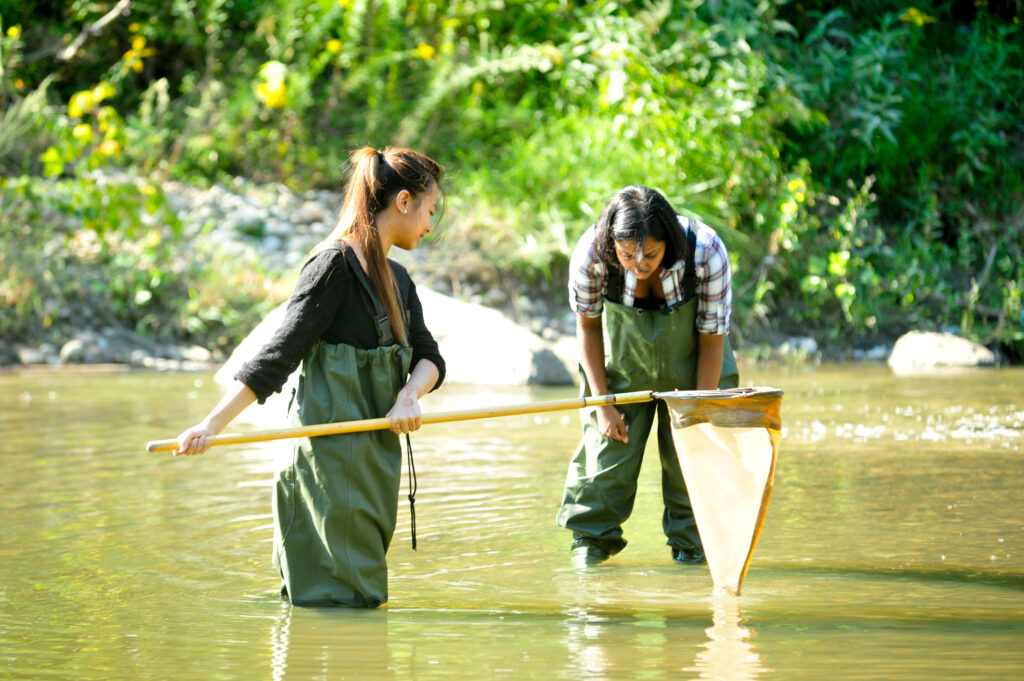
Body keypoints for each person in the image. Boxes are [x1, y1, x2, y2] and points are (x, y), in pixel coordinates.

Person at [173, 146, 446, 607]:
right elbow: (275, 358)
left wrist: (409, 396)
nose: (429, 225)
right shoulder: (331, 267)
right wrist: (210, 425)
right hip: (324, 470)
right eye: (429, 210)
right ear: (403, 202)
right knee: (331, 602)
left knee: (361, 599)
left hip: (374, 469)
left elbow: (431, 357)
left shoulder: (399, 281)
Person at [556, 185, 738, 567]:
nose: (639, 264)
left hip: (696, 367)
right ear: (612, 245)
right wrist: (602, 404)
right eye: (626, 256)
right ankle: (590, 555)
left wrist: (698, 413)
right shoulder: (591, 254)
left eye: (651, 255)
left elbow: (711, 339)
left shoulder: (706, 251)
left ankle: (694, 554)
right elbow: (587, 329)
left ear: (667, 241)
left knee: (694, 466)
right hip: (620, 368)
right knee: (604, 466)